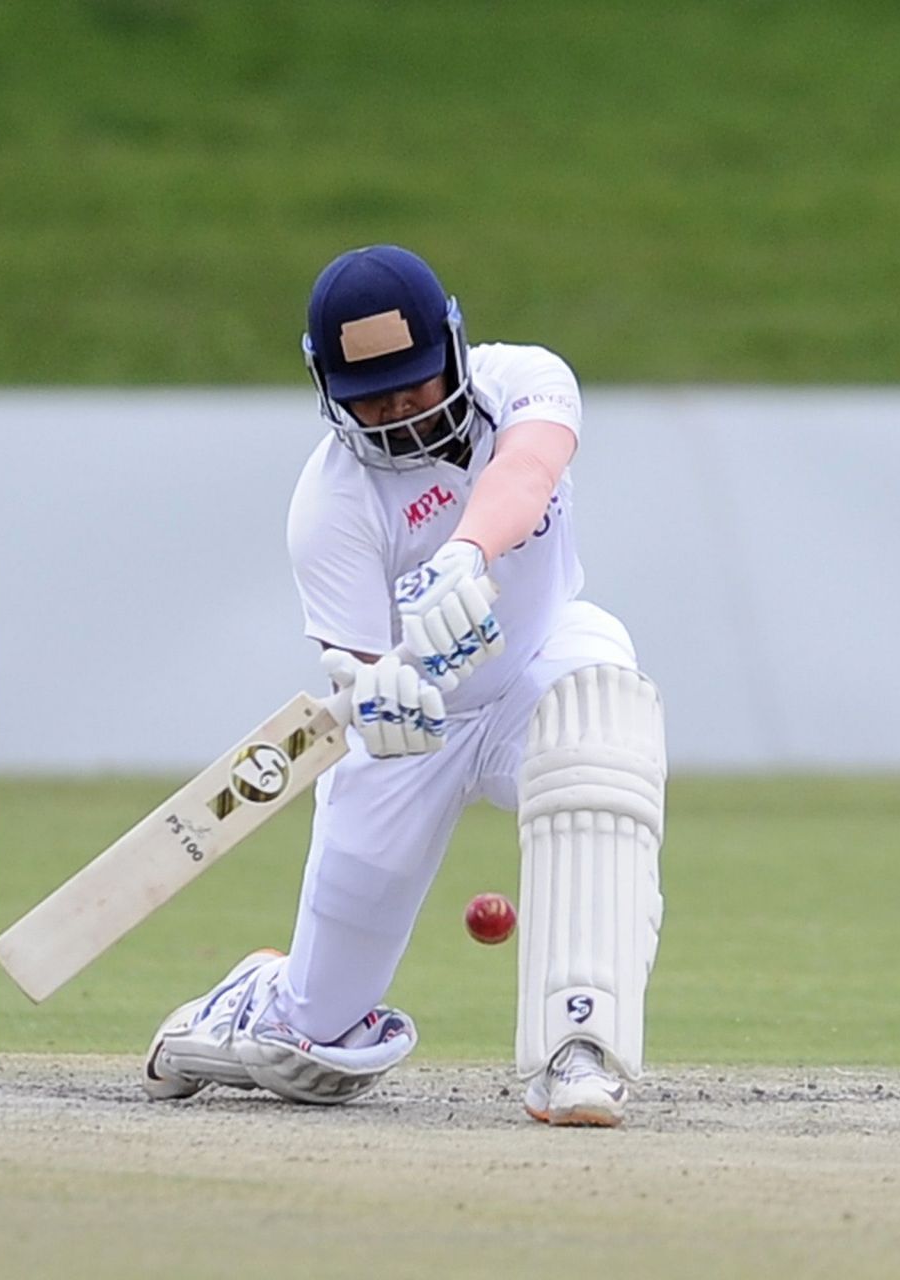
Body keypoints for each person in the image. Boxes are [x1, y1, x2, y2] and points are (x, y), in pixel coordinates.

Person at [142, 245, 666, 1126]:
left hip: (542, 659)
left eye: (414, 386)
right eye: (369, 400)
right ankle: (252, 1010)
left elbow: (529, 470)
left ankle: (579, 1048)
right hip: (413, 737)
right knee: (318, 1046)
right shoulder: (331, 506)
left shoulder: (526, 380)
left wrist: (464, 553)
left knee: (601, 736)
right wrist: (380, 694)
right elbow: (352, 667)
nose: (396, 415)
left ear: (454, 351)